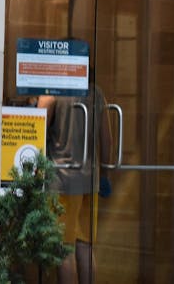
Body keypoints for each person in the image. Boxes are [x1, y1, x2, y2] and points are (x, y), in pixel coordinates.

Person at [38, 87, 111, 284]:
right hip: (90, 181)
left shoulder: (52, 93)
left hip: (62, 181)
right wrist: (104, 174)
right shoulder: (96, 94)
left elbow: (35, 134)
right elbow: (106, 141)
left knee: (63, 249)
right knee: (85, 247)